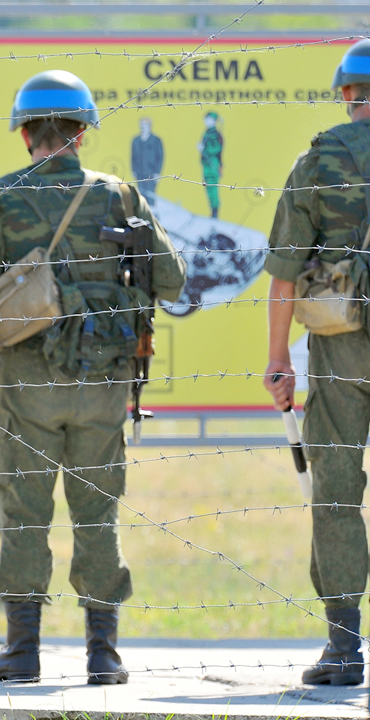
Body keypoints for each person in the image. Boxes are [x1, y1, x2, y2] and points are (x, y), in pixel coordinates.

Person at [0, 70, 185, 685]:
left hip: (26, 385)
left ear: (25, 132)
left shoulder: (3, 199)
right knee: (97, 513)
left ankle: (22, 650)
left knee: (24, 512)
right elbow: (175, 282)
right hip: (105, 386)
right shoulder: (119, 197)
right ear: (82, 133)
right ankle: (103, 653)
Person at [261, 38, 370, 687]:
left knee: (336, 493)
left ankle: (344, 647)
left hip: (340, 348)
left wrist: (279, 361)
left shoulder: (320, 157)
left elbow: (283, 273)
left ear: (346, 94)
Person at [130, 117, 164, 207]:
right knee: (141, 194)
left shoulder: (156, 140)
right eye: (141, 125)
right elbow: (133, 156)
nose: (143, 127)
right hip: (139, 172)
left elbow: (160, 157)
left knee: (150, 195)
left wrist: (157, 172)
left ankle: (151, 214)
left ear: (149, 126)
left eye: (145, 125)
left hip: (151, 172)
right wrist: (133, 170)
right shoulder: (136, 140)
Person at [199, 111, 224, 218]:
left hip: (212, 164)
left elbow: (217, 148)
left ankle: (215, 210)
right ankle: (212, 210)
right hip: (206, 164)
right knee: (208, 187)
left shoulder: (215, 134)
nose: (206, 121)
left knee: (212, 187)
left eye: (208, 119)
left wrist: (204, 148)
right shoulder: (207, 132)